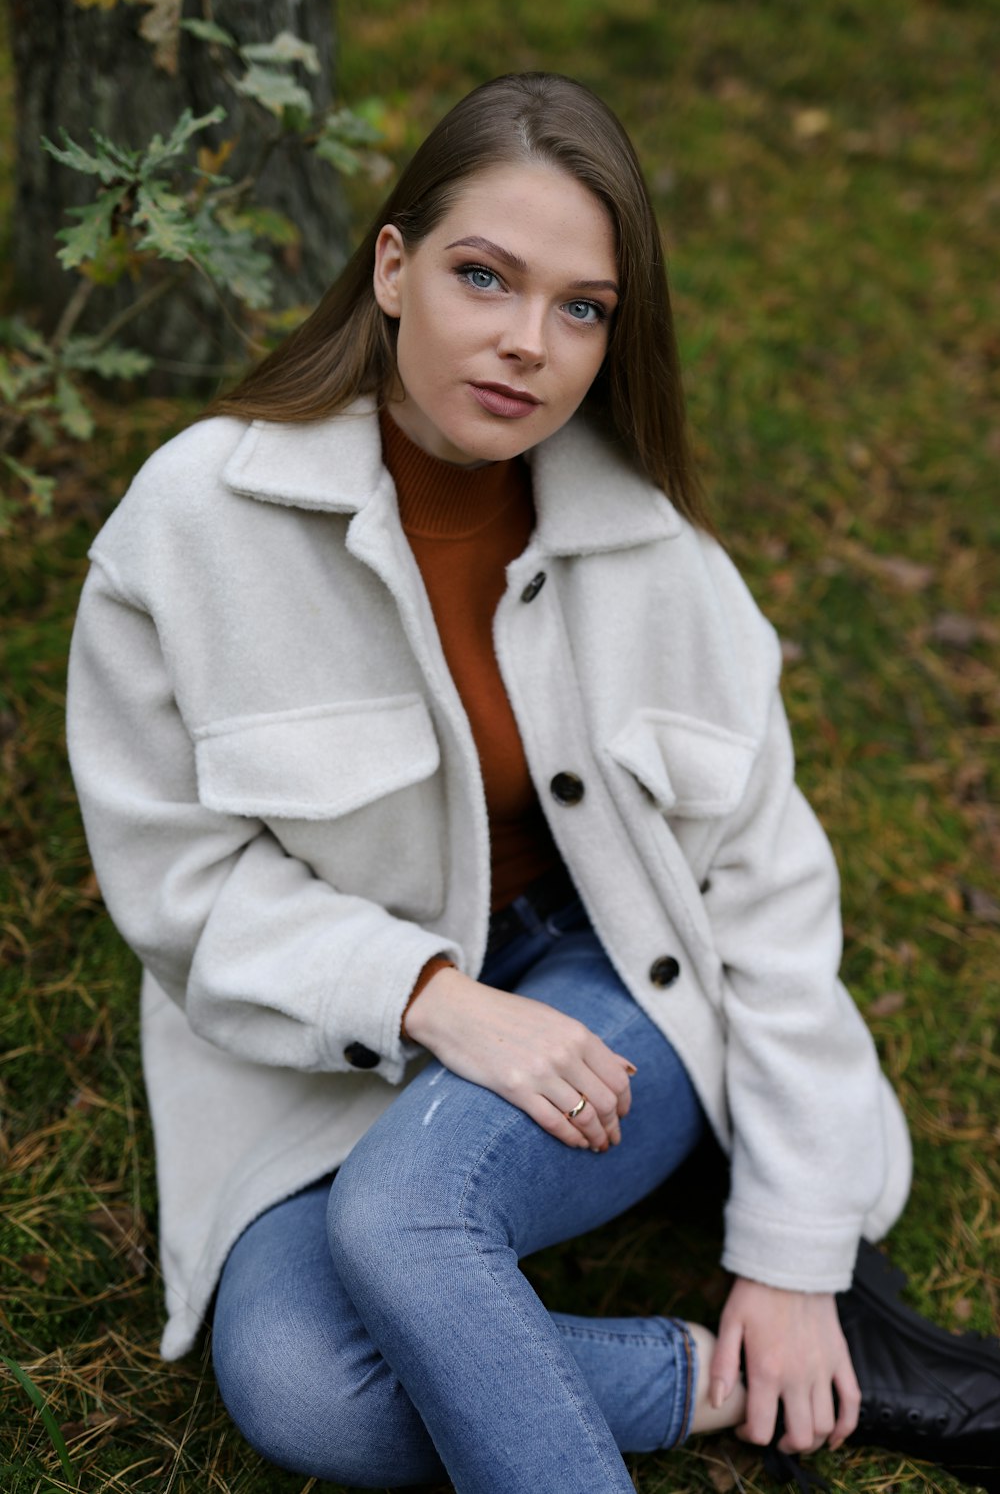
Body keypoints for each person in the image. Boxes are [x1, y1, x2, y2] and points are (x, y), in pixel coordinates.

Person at [67, 72, 999, 1493]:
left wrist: (796, 1253)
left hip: (617, 982)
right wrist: (433, 1001)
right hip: (322, 1040)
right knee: (307, 1390)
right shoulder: (190, 530)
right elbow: (179, 886)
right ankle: (724, 1386)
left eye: (581, 307)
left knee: (407, 1217)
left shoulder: (657, 556)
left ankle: (772, 1344)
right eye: (483, 277)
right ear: (392, 268)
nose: (525, 344)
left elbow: (766, 894)